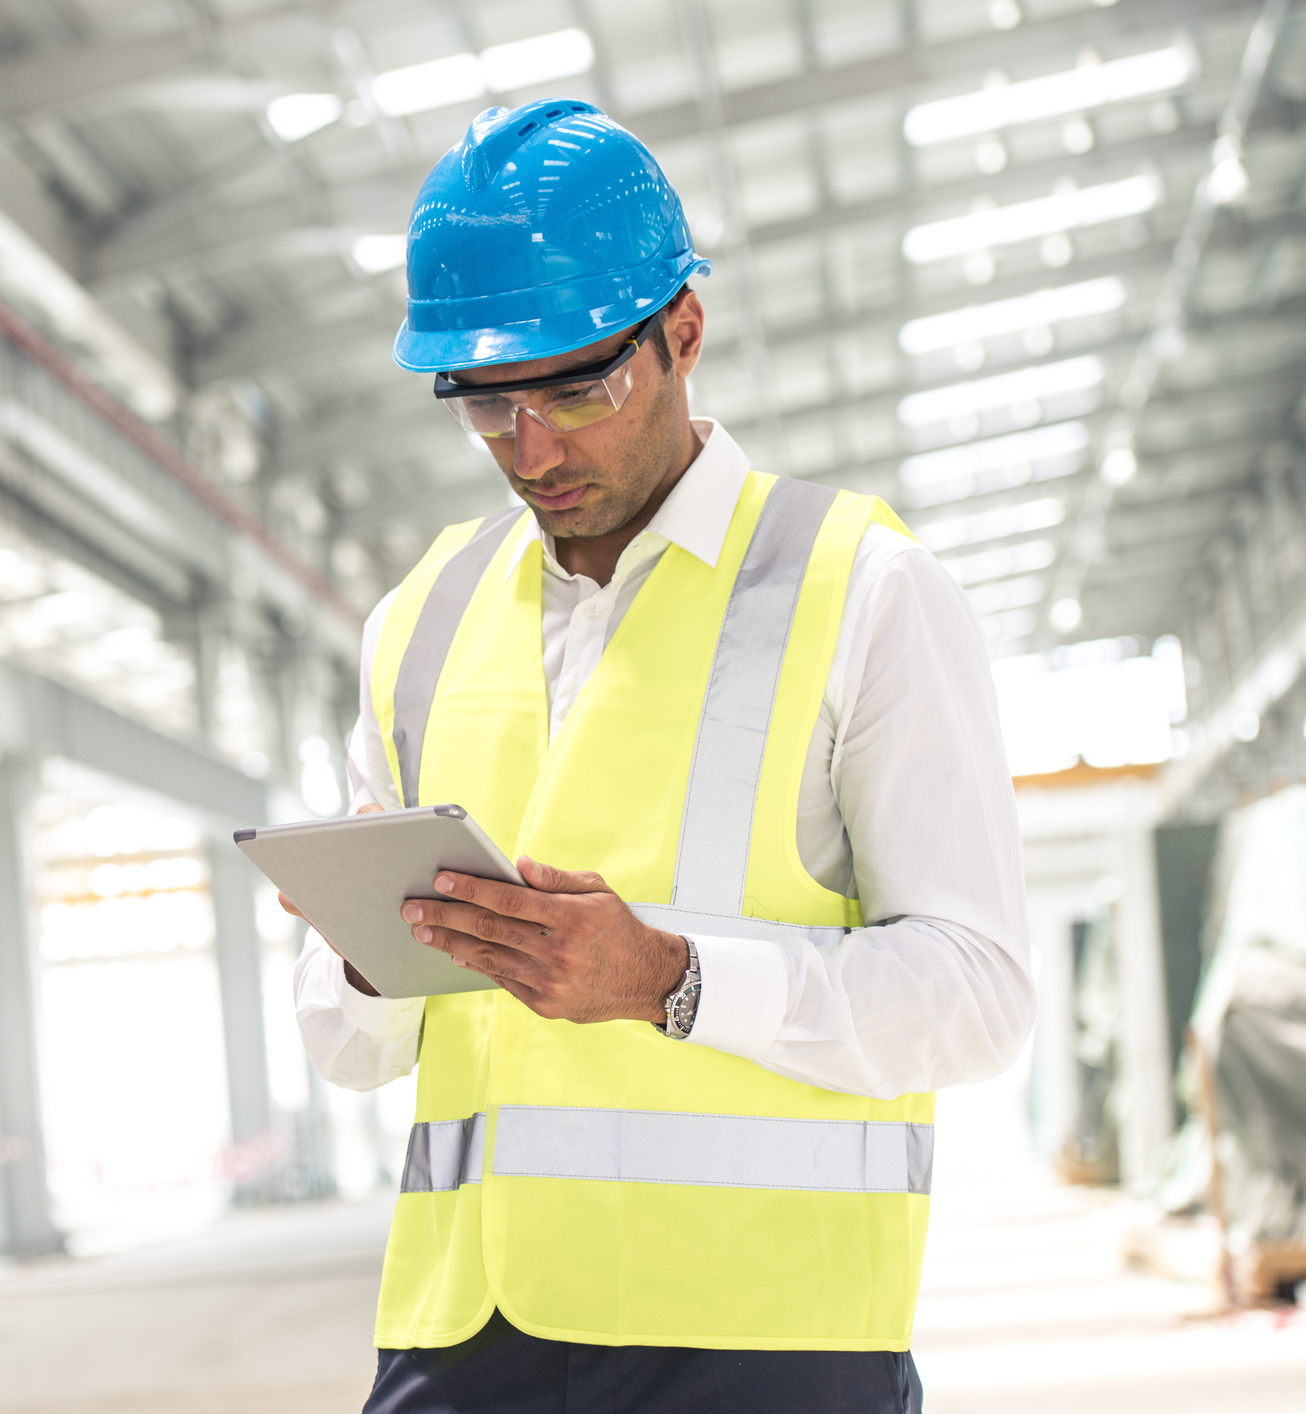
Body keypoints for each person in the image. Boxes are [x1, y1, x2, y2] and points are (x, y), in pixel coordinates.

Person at [289, 99, 1033, 1414]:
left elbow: (979, 994)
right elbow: (355, 1051)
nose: (533, 450)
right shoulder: (421, 621)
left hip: (765, 1343)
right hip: (465, 1337)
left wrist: (677, 980)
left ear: (682, 332)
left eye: (579, 387)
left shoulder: (863, 590)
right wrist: (363, 949)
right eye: (485, 405)